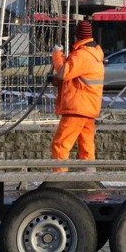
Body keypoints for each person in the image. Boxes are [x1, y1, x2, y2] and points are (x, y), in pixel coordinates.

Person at [50, 20, 105, 169]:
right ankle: (90, 179)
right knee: (86, 147)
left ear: (77, 36)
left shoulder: (82, 54)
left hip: (77, 108)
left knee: (60, 145)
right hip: (88, 108)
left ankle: (58, 181)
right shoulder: (94, 53)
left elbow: (64, 73)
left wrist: (57, 54)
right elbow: (77, 78)